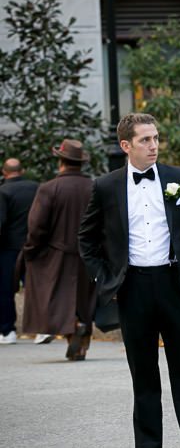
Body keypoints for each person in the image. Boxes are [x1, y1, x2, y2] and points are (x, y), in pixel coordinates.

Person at [78, 113, 180, 448]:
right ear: (126, 145)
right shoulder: (106, 186)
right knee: (143, 375)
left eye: (156, 138)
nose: (154, 145)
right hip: (133, 289)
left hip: (176, 287)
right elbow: (87, 239)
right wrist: (105, 277)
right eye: (145, 140)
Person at [19, 141, 95, 359]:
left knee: (51, 298)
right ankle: (81, 343)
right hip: (88, 254)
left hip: (56, 254)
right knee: (83, 298)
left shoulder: (49, 188)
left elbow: (36, 226)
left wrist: (31, 250)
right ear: (80, 163)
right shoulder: (94, 187)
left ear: (61, 162)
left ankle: (73, 324)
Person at [0, 158, 38, 345]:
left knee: (5, 290)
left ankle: (8, 331)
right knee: (35, 288)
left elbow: (1, 222)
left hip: (9, 248)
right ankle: (42, 329)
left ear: (4, 172)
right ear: (22, 170)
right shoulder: (37, 188)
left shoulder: (3, 191)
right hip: (34, 246)